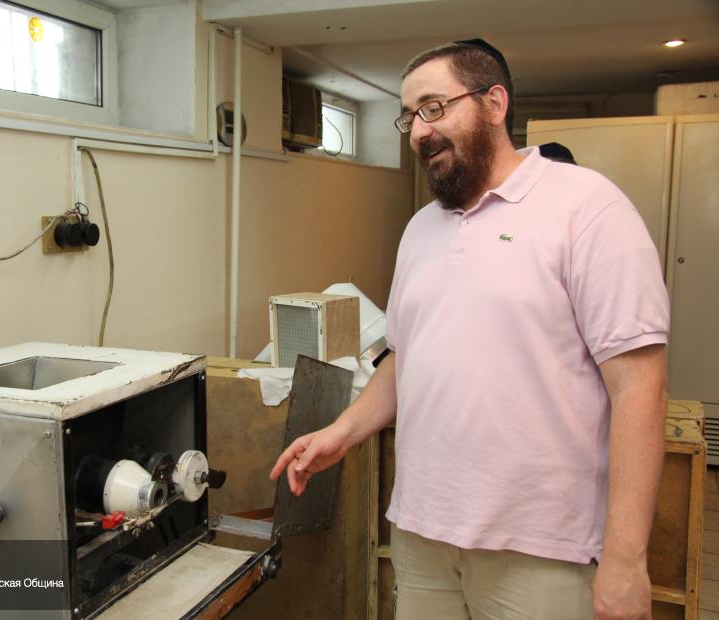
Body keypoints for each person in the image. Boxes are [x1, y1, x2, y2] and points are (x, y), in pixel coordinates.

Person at [271, 39, 669, 620]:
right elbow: (407, 359)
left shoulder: (588, 209)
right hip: (423, 534)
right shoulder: (420, 229)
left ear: (494, 104)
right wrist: (342, 432)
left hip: (542, 548)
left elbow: (639, 388)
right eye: (409, 116)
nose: (418, 132)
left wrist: (627, 560)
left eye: (434, 108)